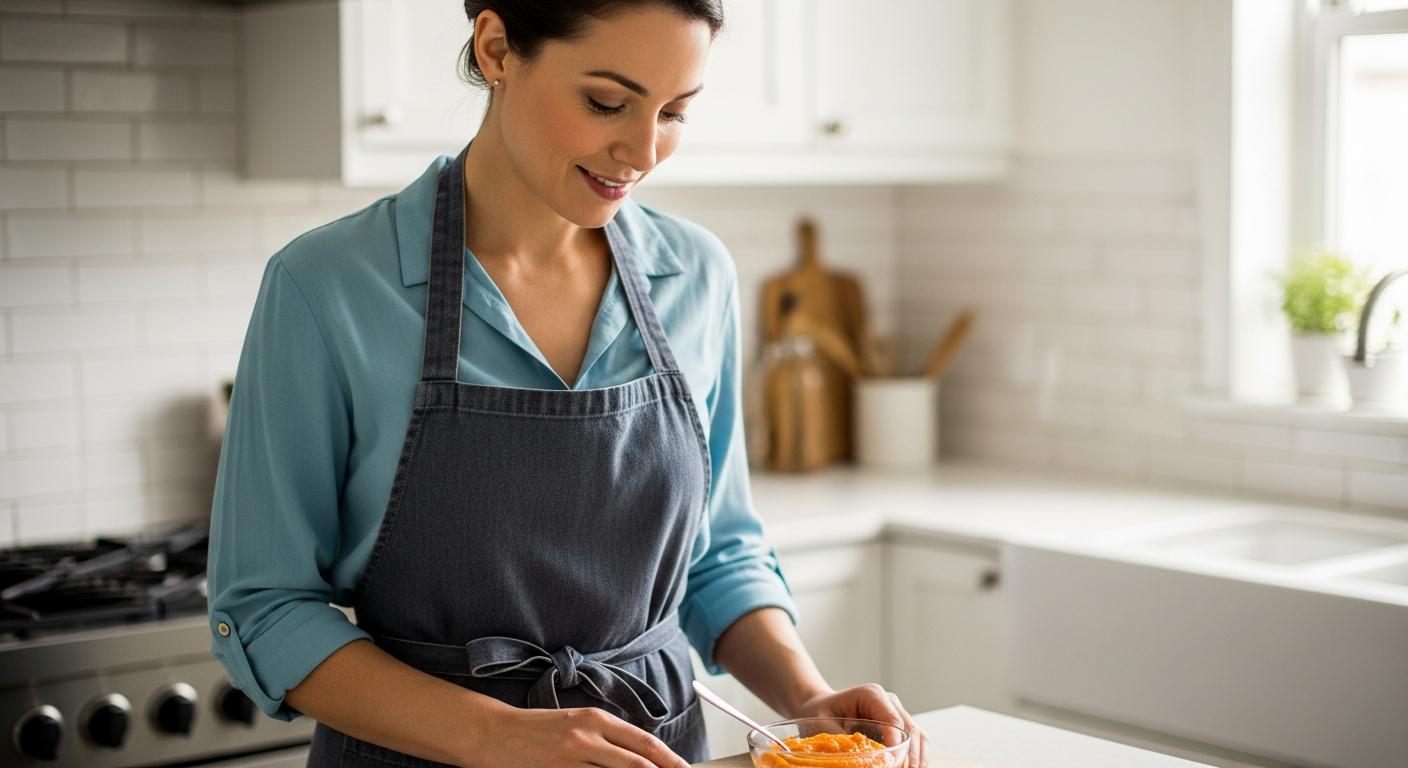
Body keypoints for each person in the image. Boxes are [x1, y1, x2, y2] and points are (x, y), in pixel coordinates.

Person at [207, 2, 931, 766]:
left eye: (676, 112)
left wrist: (804, 696)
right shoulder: (330, 287)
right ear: (496, 49)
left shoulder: (695, 275)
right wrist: (495, 734)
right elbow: (264, 608)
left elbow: (717, 555)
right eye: (606, 103)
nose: (643, 150)